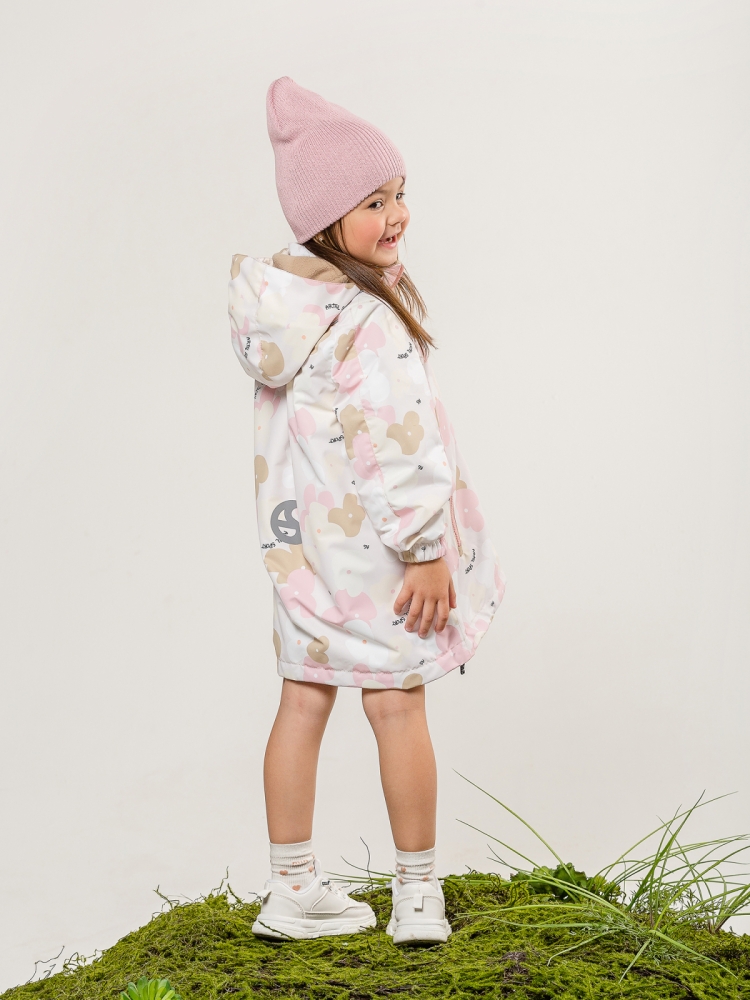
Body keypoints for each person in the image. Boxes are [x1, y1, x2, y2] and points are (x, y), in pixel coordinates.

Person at [229, 77, 504, 944]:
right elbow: (398, 441)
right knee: (396, 706)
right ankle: (417, 895)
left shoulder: (285, 310)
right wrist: (424, 550)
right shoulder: (364, 320)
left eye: (399, 194)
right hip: (384, 561)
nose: (397, 216)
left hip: (303, 558)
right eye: (373, 202)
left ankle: (291, 886)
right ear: (324, 218)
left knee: (302, 701)